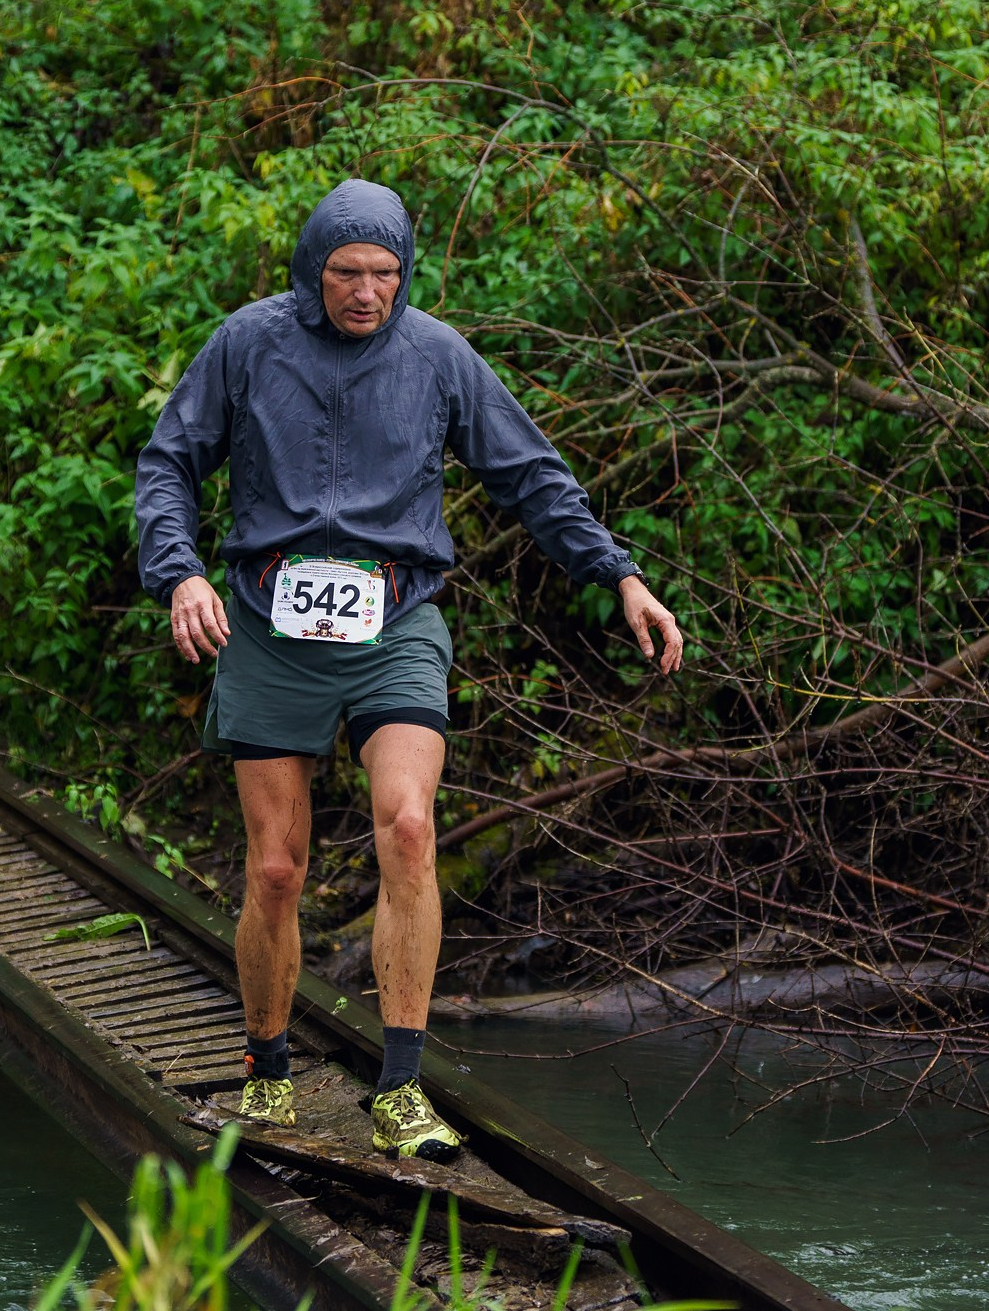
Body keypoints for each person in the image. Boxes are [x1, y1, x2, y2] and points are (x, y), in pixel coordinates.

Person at [134, 177, 683, 1162]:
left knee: (410, 826)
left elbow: (529, 475)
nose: (365, 294)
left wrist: (620, 574)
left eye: (384, 275)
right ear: (312, 271)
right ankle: (266, 1076)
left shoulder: (437, 357)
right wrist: (178, 576)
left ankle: (398, 1087)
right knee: (273, 868)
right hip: (269, 620)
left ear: (405, 273)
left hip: (396, 617)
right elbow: (167, 462)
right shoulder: (247, 345)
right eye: (346, 274)